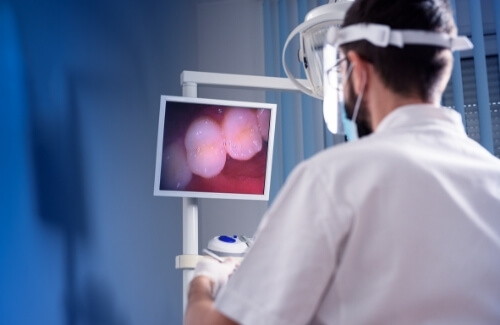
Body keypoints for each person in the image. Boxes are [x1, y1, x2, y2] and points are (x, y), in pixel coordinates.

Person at [185, 0, 500, 324]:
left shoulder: (331, 180)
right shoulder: (494, 180)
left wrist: (205, 279)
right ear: (442, 70)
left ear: (359, 71)